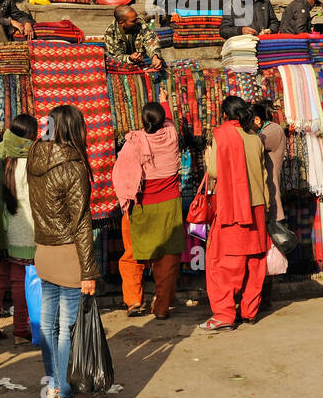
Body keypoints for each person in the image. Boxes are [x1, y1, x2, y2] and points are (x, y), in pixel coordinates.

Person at [28, 105, 102, 398]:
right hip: (68, 253)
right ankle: (68, 390)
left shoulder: (35, 157)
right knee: (67, 327)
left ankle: (55, 383)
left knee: (49, 323)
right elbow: (82, 221)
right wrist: (89, 271)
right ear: (75, 129)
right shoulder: (72, 165)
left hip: (43, 251)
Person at [200, 96, 271, 331]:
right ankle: (250, 311)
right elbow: (263, 176)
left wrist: (208, 159)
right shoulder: (255, 138)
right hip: (258, 205)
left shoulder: (221, 135)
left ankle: (224, 315)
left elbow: (214, 172)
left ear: (224, 114)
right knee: (255, 260)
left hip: (232, 206)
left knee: (225, 262)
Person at [112, 98, 184, 319]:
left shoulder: (135, 143)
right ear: (163, 121)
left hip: (142, 206)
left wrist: (125, 200)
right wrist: (164, 99)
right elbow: (170, 121)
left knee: (133, 255)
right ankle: (162, 308)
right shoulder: (172, 136)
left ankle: (134, 302)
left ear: (143, 121)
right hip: (170, 206)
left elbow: (123, 175)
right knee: (168, 259)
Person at [0, 114, 39, 345]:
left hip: (0, 225)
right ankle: (19, 330)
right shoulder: (31, 157)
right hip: (23, 226)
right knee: (19, 279)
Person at [251, 102, 287, 223]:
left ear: (257, 119)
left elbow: (254, 144)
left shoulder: (272, 130)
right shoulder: (265, 130)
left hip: (270, 192)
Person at [103, 5, 163, 70]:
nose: (136, 22)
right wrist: (130, 58)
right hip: (125, 64)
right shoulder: (110, 33)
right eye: (133, 21)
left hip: (142, 61)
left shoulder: (140, 23)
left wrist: (155, 56)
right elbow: (115, 56)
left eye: (136, 18)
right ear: (122, 23)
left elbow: (150, 38)